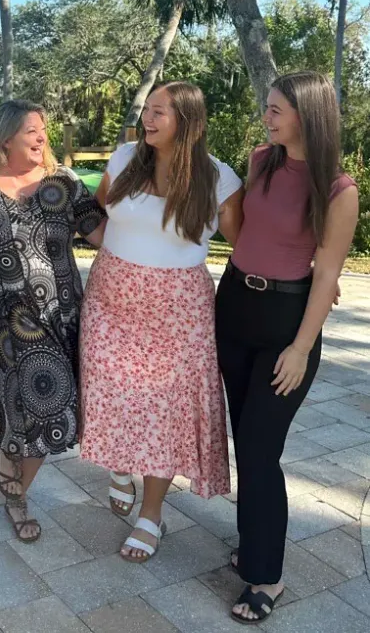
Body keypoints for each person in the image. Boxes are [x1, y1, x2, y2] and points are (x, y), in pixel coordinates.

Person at [215, 71, 359, 624]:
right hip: (234, 306)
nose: (266, 115)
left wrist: (301, 348)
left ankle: (266, 576)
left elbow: (327, 276)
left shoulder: (338, 189)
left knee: (258, 447)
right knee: (243, 436)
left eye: (276, 109)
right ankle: (254, 541)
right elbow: (250, 234)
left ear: (307, 116)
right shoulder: (260, 161)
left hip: (286, 325)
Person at [80, 81, 243, 562]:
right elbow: (101, 213)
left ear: (187, 120)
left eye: (160, 113)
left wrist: (317, 271)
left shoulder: (218, 179)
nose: (147, 120)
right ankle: (120, 463)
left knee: (165, 411)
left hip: (178, 311)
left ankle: (151, 514)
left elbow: (249, 245)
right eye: (147, 110)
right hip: (111, 297)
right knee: (108, 389)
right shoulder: (125, 158)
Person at [0, 99, 105, 542]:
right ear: (5, 138)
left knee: (53, 404)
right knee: (10, 403)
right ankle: (10, 467)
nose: (42, 137)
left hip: (57, 315)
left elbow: (106, 236)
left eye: (43, 130)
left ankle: (17, 490)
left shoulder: (65, 183)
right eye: (31, 131)